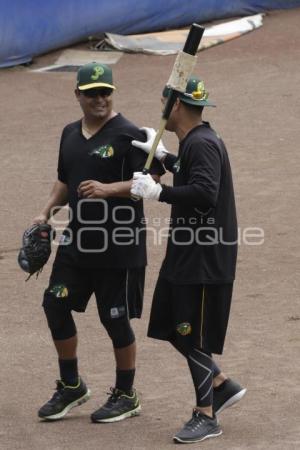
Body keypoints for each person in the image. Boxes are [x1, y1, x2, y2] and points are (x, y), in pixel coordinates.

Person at [32, 62, 164, 423]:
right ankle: (72, 385)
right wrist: (45, 212)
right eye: (91, 93)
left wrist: (109, 190)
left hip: (119, 246)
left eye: (105, 92)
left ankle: (127, 394)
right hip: (77, 244)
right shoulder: (69, 134)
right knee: (54, 305)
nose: (99, 99)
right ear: (78, 95)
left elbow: (150, 181)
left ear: (112, 93)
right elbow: (65, 181)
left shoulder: (129, 134)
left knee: (114, 320)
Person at [130, 76, 246, 443]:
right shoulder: (194, 142)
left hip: (203, 259)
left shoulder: (204, 143)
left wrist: (158, 191)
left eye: (163, 101)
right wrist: (164, 156)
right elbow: (192, 172)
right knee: (170, 324)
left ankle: (206, 414)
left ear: (175, 106)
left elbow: (205, 193)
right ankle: (221, 383)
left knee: (191, 334)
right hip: (188, 255)